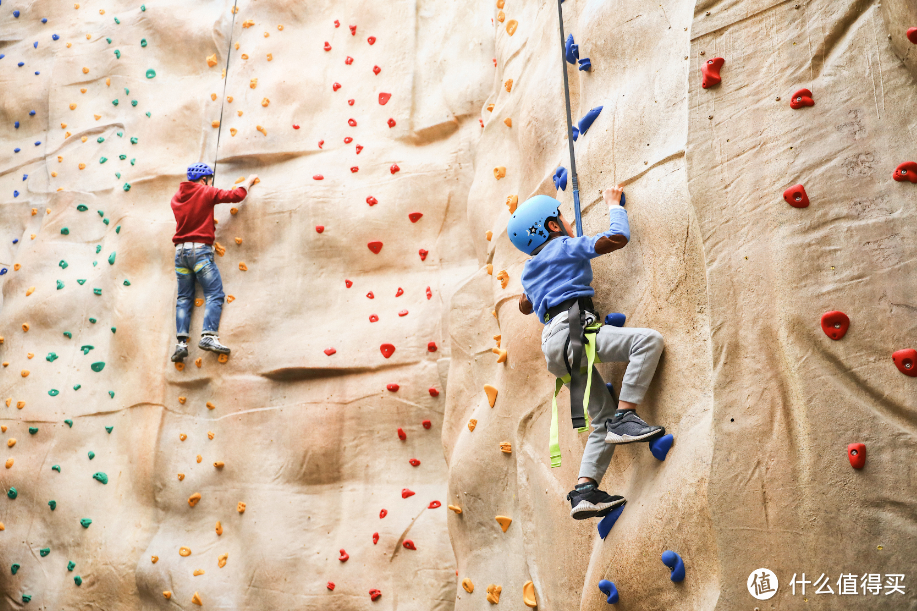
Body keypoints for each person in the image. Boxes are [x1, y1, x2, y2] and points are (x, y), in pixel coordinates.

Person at [508, 186, 665, 520]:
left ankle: (585, 491)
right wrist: (613, 205)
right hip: (575, 331)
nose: (567, 222)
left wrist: (536, 289)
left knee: (600, 421)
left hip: (555, 349)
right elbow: (617, 238)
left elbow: (524, 305)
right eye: (562, 217)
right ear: (552, 226)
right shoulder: (563, 246)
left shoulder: (531, 270)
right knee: (647, 341)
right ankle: (626, 417)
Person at [169, 163, 257, 362]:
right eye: (209, 179)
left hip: (180, 253)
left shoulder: (176, 199)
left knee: (184, 298)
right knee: (214, 294)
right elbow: (236, 196)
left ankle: (181, 344)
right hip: (200, 251)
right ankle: (209, 336)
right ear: (204, 179)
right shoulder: (206, 192)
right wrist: (249, 181)